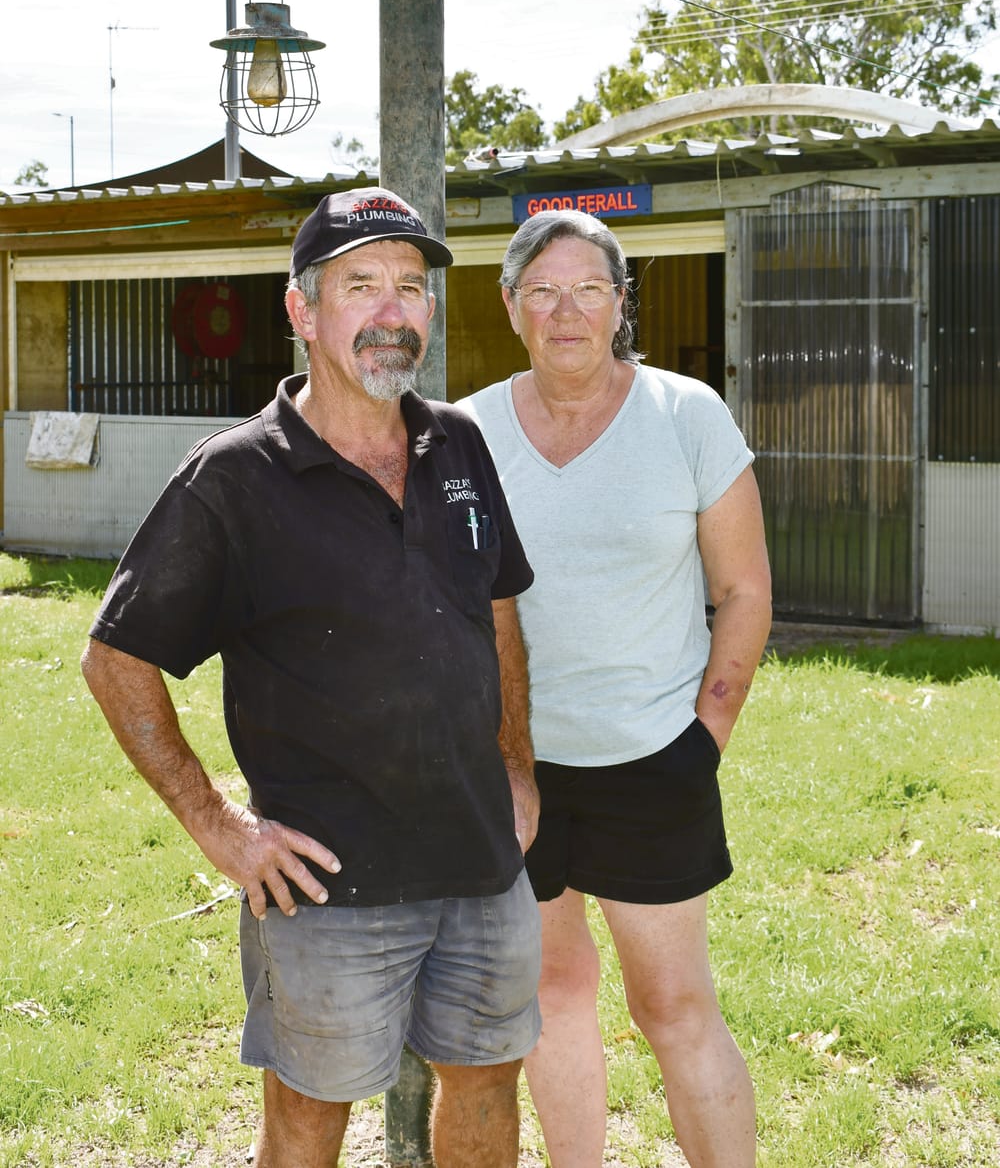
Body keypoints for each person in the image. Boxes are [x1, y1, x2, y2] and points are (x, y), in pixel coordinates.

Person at [81, 188, 542, 1168]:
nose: (392, 310)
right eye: (360, 285)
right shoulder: (234, 478)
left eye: (410, 286)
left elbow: (498, 611)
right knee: (307, 1115)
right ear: (303, 310)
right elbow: (115, 657)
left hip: (481, 862)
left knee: (489, 1085)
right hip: (325, 886)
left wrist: (517, 767)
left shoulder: (457, 443)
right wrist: (220, 825)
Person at [458, 208, 772, 1168]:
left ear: (621, 302)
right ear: (510, 304)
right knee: (552, 995)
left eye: (589, 289)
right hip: (516, 768)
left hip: (653, 760)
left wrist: (704, 736)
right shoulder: (466, 433)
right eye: (544, 291)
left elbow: (744, 590)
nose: (567, 311)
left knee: (673, 1007)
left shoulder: (686, 415)